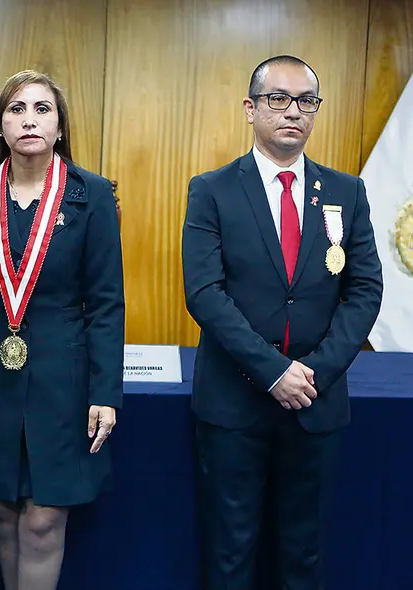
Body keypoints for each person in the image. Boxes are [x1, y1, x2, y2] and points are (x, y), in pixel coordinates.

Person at [182, 55, 383, 589]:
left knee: (303, 556)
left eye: (306, 101)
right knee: (229, 554)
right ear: (250, 109)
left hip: (316, 403)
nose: (293, 111)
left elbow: (365, 289)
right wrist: (273, 371)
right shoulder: (212, 189)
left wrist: (314, 372)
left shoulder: (347, 192)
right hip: (234, 403)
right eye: (277, 99)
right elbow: (204, 294)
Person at [0, 70, 125, 590]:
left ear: (61, 126)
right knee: (0, 509)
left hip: (64, 378)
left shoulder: (91, 195)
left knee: (43, 518)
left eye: (42, 109)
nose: (29, 120)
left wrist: (107, 391)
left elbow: (107, 304)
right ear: (1, 126)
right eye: (16, 109)